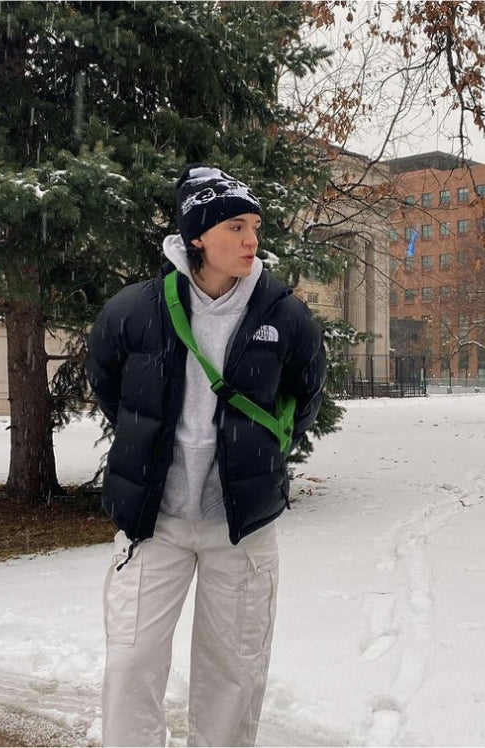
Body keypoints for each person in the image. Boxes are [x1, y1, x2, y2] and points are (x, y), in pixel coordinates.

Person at [86, 164, 327, 747]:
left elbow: (306, 394)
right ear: (197, 236)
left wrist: (258, 459)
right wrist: (151, 449)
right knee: (130, 663)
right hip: (155, 523)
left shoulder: (283, 315)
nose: (252, 241)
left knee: (234, 672)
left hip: (238, 528)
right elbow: (109, 388)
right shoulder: (133, 311)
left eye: (256, 227)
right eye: (237, 226)